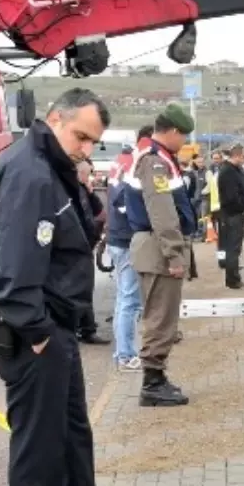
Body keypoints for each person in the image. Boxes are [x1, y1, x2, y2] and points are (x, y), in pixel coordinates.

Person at [0, 88, 149, 486]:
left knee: (73, 431)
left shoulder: (51, 168)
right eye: (80, 136)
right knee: (39, 441)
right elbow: (13, 267)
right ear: (55, 118)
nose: (85, 148)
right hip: (34, 326)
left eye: (93, 142)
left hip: (56, 323)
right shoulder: (30, 174)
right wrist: (34, 331)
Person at [124, 104, 197, 407]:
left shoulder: (157, 157)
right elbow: (162, 213)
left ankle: (157, 378)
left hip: (156, 246)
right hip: (157, 247)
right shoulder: (155, 162)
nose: (185, 144)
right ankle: (152, 383)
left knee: (162, 315)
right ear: (173, 132)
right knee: (159, 317)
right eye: (184, 136)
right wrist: (174, 254)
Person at [105, 152, 143, 372]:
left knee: (123, 298)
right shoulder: (133, 164)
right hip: (126, 239)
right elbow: (122, 200)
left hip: (117, 237)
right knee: (130, 299)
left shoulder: (120, 160)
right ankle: (126, 355)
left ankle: (122, 352)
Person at [74, 158, 110, 346]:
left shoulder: (83, 191)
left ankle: (87, 328)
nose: (91, 178)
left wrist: (90, 191)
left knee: (86, 289)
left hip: (85, 247)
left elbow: (98, 211)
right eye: (87, 174)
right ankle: (82, 328)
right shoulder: (70, 191)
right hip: (75, 248)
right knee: (78, 290)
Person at [215, 143, 244, 289]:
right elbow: (231, 197)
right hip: (232, 214)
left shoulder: (236, 170)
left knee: (235, 248)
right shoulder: (228, 172)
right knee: (232, 248)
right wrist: (241, 208)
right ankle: (232, 280)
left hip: (236, 214)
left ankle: (234, 275)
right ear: (236, 155)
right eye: (243, 156)